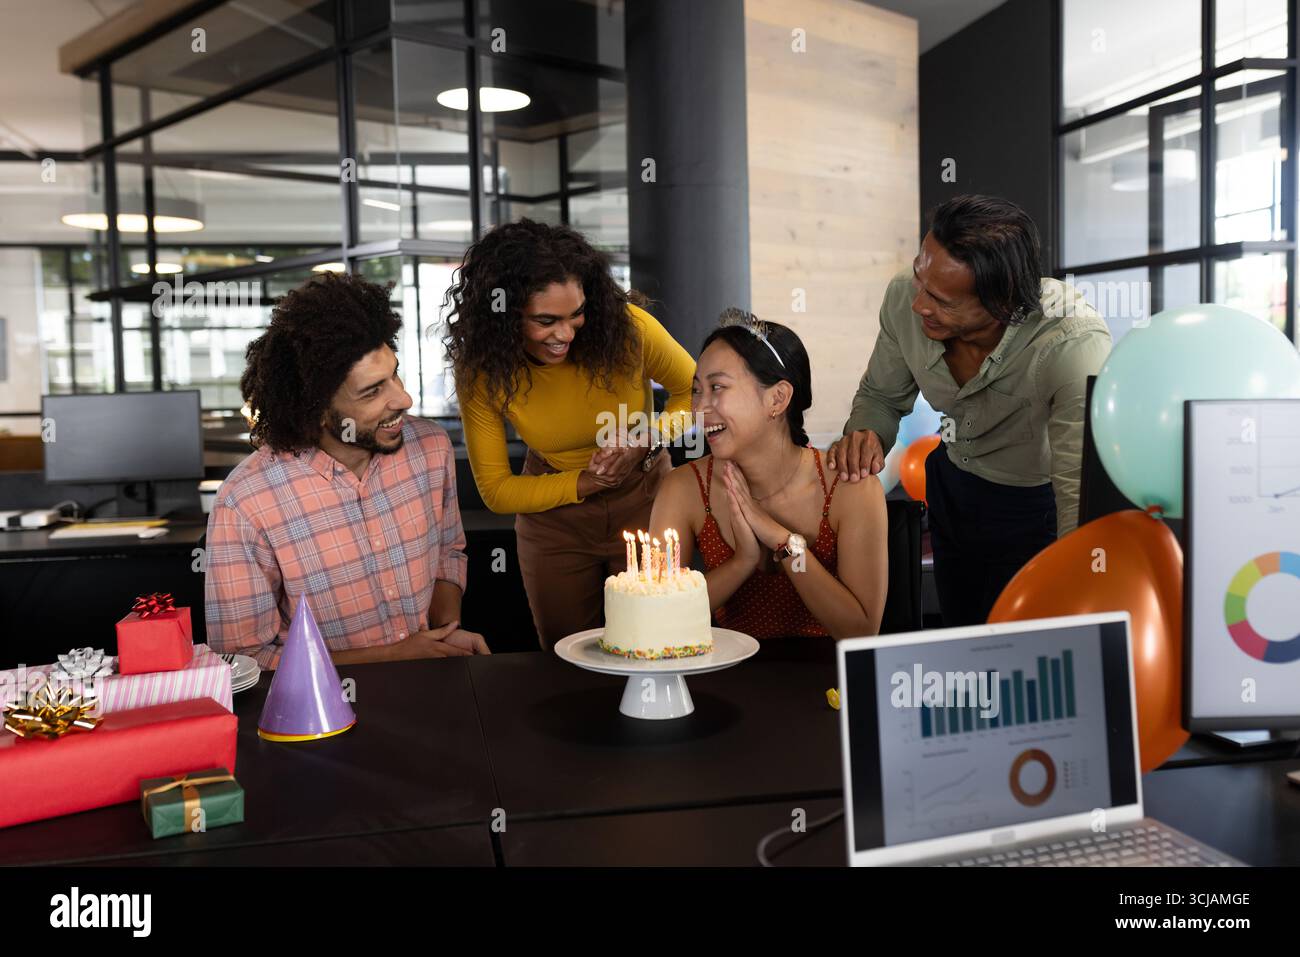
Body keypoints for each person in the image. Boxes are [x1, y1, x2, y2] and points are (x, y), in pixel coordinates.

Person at [828, 194, 1112, 626]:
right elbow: (882, 397)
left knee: (1027, 647)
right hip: (953, 485)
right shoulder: (907, 296)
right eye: (921, 278)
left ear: (1001, 301)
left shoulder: (1071, 342)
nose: (919, 303)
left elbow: (1078, 484)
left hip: (1035, 509)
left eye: (941, 299)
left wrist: (1080, 588)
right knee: (963, 633)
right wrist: (867, 432)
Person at [206, 272, 488, 669]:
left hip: (433, 688)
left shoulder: (430, 448)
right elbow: (243, 657)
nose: (403, 398)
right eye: (373, 391)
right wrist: (392, 657)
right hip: (319, 716)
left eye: (394, 374)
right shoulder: (246, 504)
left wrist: (443, 635)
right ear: (318, 411)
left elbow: (447, 550)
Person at [447, 219, 696, 650]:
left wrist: (648, 438)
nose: (564, 334)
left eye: (576, 314)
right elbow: (497, 491)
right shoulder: (483, 371)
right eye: (545, 320)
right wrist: (587, 482)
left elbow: (695, 393)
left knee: (659, 642)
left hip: (648, 500)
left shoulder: (628, 329)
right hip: (555, 524)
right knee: (567, 654)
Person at [650, 310, 887, 639]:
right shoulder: (683, 487)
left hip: (827, 682)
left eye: (717, 387)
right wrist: (743, 561)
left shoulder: (850, 486)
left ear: (777, 398)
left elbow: (860, 632)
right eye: (696, 391)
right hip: (727, 677)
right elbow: (657, 621)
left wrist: (783, 542)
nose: (700, 408)